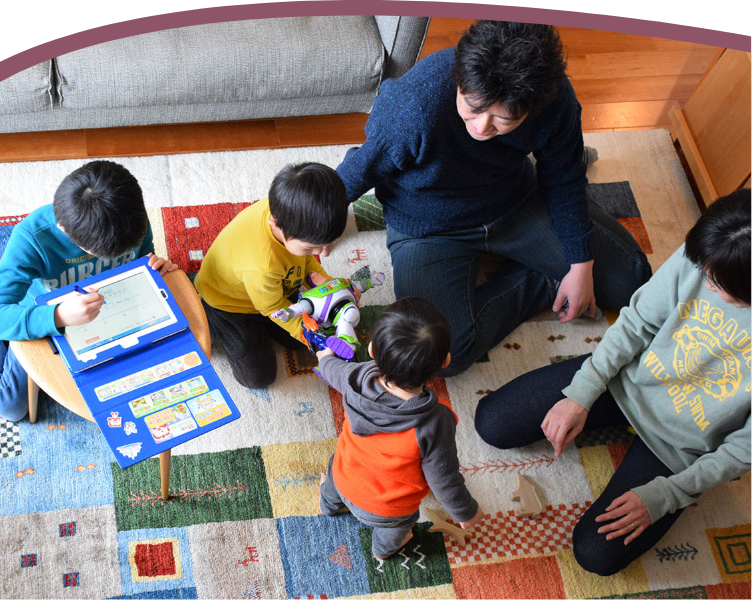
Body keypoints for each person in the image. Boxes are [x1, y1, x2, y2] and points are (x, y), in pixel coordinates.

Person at [335, 20, 652, 376]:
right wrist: (318, 219)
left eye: (502, 119)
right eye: (472, 106)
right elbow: (362, 166)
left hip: (514, 203)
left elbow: (564, 179)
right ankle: (544, 281)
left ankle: (556, 268)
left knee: (633, 282)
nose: (481, 127)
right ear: (458, 80)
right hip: (427, 227)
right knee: (441, 352)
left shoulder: (555, 99)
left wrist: (580, 265)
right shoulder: (413, 104)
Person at [474, 188, 751, 575]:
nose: (705, 285)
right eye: (703, 272)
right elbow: (637, 323)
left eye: (718, 285)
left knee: (596, 553)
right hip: (628, 381)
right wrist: (582, 392)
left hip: (684, 445)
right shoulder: (716, 248)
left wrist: (670, 493)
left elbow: (743, 449)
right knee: (492, 421)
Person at [0, 160, 177, 421]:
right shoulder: (32, 237)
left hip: (109, 310)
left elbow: (143, 256)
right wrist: (58, 316)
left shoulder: (130, 216)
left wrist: (154, 265)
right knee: (6, 404)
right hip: (45, 314)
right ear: (63, 229)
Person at [316, 296, 484, 559]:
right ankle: (383, 551)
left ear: (372, 350)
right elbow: (444, 478)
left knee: (335, 466)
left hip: (342, 477)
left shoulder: (354, 378)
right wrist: (465, 512)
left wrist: (325, 358)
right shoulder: (435, 421)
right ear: (445, 362)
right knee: (400, 526)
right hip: (387, 511)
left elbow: (331, 369)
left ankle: (327, 505)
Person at [193, 162, 348, 389]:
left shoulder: (290, 209)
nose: (319, 252)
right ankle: (210, 315)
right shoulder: (262, 264)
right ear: (275, 223)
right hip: (230, 304)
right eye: (309, 247)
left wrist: (327, 285)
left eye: (326, 243)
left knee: (320, 325)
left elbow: (306, 264)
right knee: (258, 377)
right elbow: (273, 308)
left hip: (272, 289)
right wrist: (309, 337)